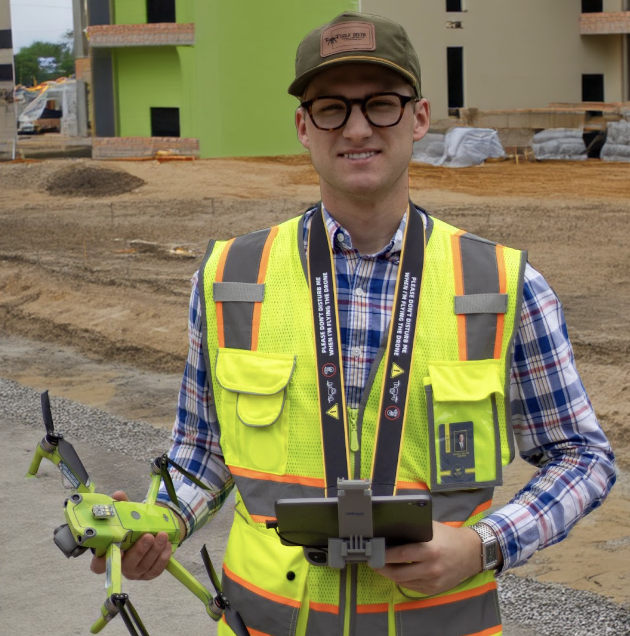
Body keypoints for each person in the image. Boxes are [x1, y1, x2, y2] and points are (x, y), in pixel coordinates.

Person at [91, 11, 616, 636]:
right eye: (332, 107)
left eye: (382, 105)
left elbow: (583, 457)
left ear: (419, 118)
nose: (358, 127)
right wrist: (159, 523)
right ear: (303, 127)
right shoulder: (231, 279)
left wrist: (485, 544)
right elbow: (203, 452)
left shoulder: (503, 286)